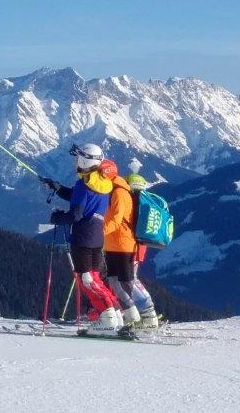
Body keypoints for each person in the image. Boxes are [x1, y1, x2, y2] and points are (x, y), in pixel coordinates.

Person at [42, 143, 120, 335]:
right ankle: (115, 313)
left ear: (86, 161)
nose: (75, 162)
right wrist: (58, 188)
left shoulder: (82, 184)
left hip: (82, 237)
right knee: (93, 277)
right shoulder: (102, 183)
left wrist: (57, 217)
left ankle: (107, 316)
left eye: (77, 159)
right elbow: (81, 197)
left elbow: (75, 214)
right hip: (96, 236)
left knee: (86, 278)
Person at [100, 159, 143, 326]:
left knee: (127, 282)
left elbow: (116, 220)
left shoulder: (119, 193)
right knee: (114, 282)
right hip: (112, 245)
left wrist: (98, 232)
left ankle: (143, 313)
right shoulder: (112, 191)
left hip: (123, 244)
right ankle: (130, 315)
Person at [125, 172, 159, 329]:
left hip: (130, 246)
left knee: (129, 279)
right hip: (141, 246)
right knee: (129, 278)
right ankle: (143, 312)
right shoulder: (146, 203)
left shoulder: (132, 202)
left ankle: (147, 312)